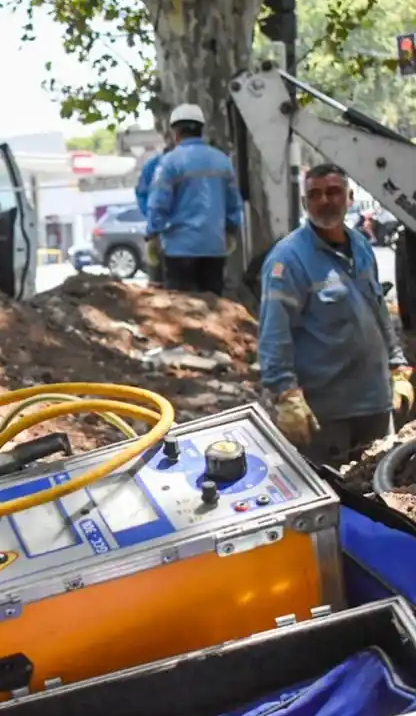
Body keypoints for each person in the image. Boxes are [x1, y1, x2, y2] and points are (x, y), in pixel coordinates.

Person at [257, 163, 413, 465]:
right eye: (314, 194)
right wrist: (285, 394)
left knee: (378, 492)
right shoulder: (288, 260)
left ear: (350, 197)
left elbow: (378, 310)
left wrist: (399, 367)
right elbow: (275, 333)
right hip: (325, 413)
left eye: (333, 192)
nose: (324, 200)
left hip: (375, 402)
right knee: (335, 498)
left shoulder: (362, 246)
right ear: (305, 204)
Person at [145, 103, 244, 295]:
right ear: (201, 130)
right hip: (214, 248)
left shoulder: (169, 162)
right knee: (213, 309)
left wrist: (152, 234)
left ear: (175, 132)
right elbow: (233, 203)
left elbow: (158, 204)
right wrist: (231, 230)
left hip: (179, 250)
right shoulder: (222, 161)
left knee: (184, 312)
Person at [133, 133, 174, 286]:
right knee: (158, 283)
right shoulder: (153, 165)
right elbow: (143, 195)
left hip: (179, 234)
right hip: (160, 233)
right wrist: (152, 220)